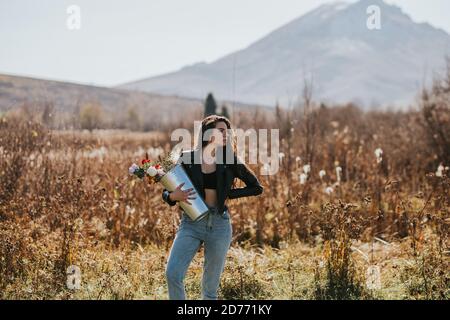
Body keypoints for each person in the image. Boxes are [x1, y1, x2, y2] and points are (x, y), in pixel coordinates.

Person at [161, 114, 264, 300]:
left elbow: (257, 188)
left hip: (219, 225)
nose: (227, 135)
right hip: (191, 224)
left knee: (209, 291)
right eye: (221, 130)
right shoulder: (187, 158)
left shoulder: (230, 160)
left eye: (228, 131)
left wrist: (227, 194)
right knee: (173, 274)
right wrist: (173, 196)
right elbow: (166, 190)